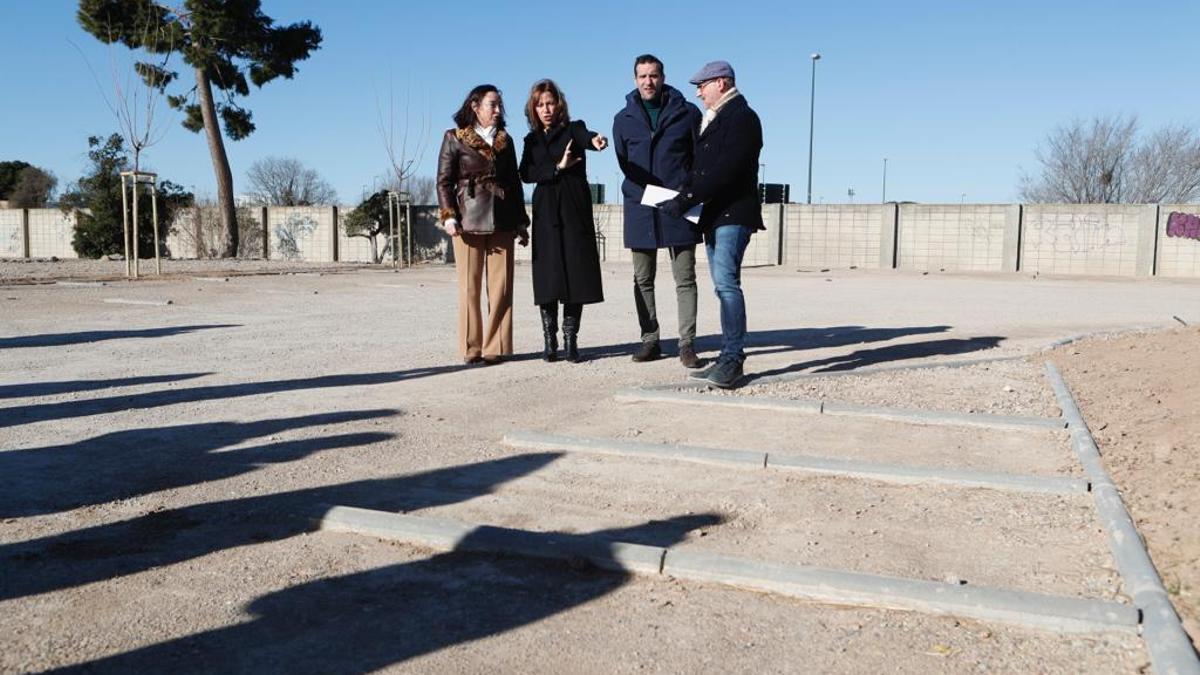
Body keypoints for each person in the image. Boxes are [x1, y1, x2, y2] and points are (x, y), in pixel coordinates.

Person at [657, 61, 763, 388]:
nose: (698, 92)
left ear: (721, 82)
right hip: (716, 216)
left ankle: (733, 360)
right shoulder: (715, 119)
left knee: (728, 285)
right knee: (722, 286)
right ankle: (726, 356)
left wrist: (684, 200)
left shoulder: (742, 117)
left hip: (733, 214)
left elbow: (725, 171)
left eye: (702, 85)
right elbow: (701, 171)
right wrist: (679, 196)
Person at [612, 54, 705, 368]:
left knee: (685, 277)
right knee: (642, 279)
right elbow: (623, 160)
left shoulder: (687, 113)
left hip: (678, 205)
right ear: (634, 79)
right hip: (640, 207)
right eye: (642, 76)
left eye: (653, 75)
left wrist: (686, 193)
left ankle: (687, 344)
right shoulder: (622, 120)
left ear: (663, 77)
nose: (648, 82)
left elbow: (697, 158)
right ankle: (649, 339)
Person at [436, 84, 530, 365]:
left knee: (501, 287)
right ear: (475, 106)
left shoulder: (506, 140)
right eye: (493, 105)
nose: (499, 110)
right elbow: (443, 181)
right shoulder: (454, 138)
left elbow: (514, 183)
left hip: (502, 219)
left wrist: (521, 222)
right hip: (467, 219)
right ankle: (471, 347)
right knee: (470, 287)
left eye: (500, 105)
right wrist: (449, 215)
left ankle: (496, 346)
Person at [519, 79, 608, 363]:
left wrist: (595, 140)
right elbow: (526, 173)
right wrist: (557, 168)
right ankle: (549, 339)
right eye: (540, 104)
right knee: (548, 275)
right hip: (545, 212)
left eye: (550, 103)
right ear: (534, 108)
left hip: (573, 209)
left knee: (575, 274)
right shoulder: (531, 141)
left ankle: (571, 339)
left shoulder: (573, 128)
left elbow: (585, 136)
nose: (546, 109)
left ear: (559, 104)